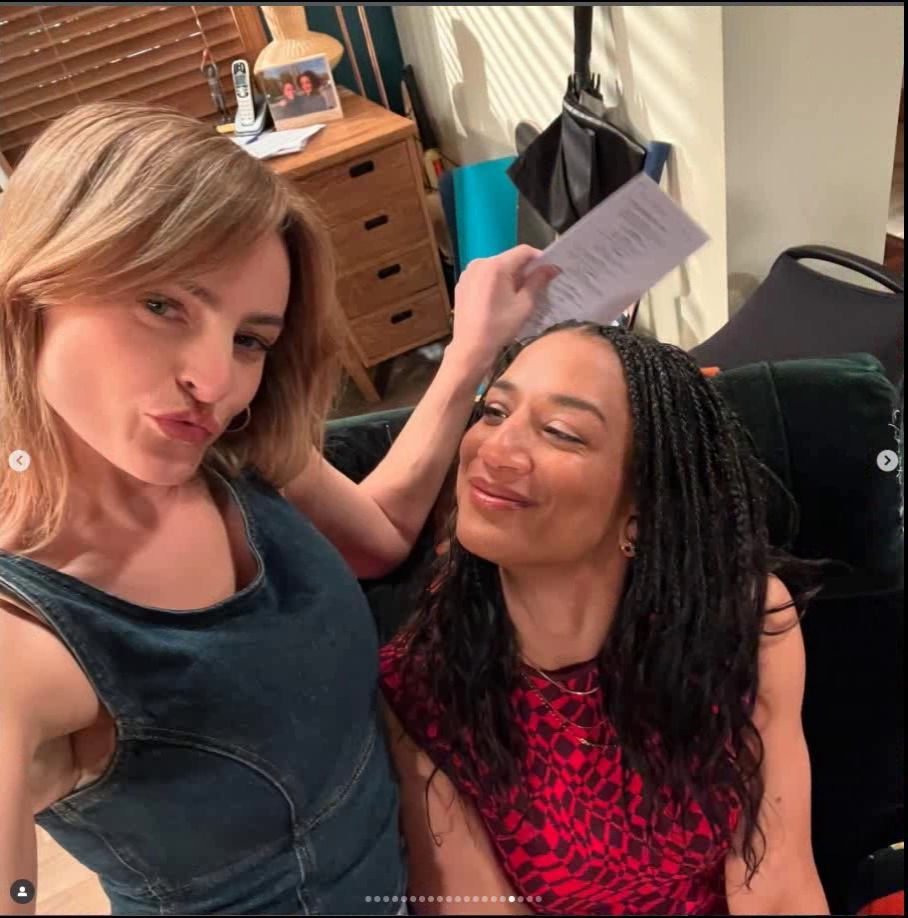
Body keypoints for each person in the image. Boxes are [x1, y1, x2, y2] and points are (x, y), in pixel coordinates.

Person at [0, 101, 557, 915]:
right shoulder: (23, 638)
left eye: (249, 340)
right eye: (162, 305)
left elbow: (379, 537)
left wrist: (471, 349)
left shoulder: (228, 452)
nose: (215, 382)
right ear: (32, 287)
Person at [380, 321, 831, 915]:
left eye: (560, 432)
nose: (494, 450)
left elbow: (778, 884)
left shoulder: (741, 623)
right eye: (493, 412)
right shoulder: (422, 682)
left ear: (642, 508)